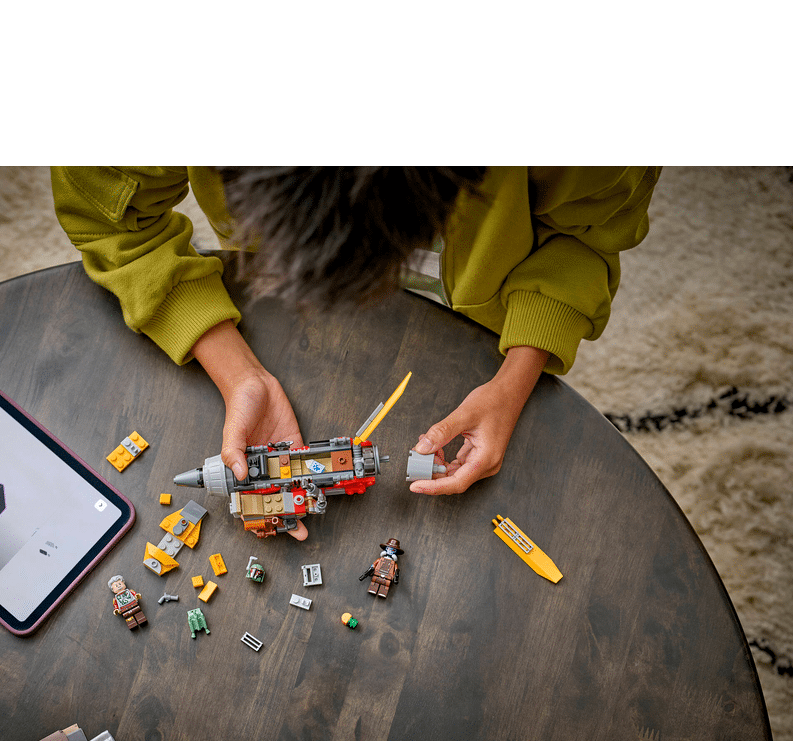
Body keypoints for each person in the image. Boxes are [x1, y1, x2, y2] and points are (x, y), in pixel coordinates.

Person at [51, 166, 659, 534]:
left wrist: (514, 378)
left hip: (484, 314)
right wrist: (240, 375)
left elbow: (587, 232)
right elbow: (108, 215)